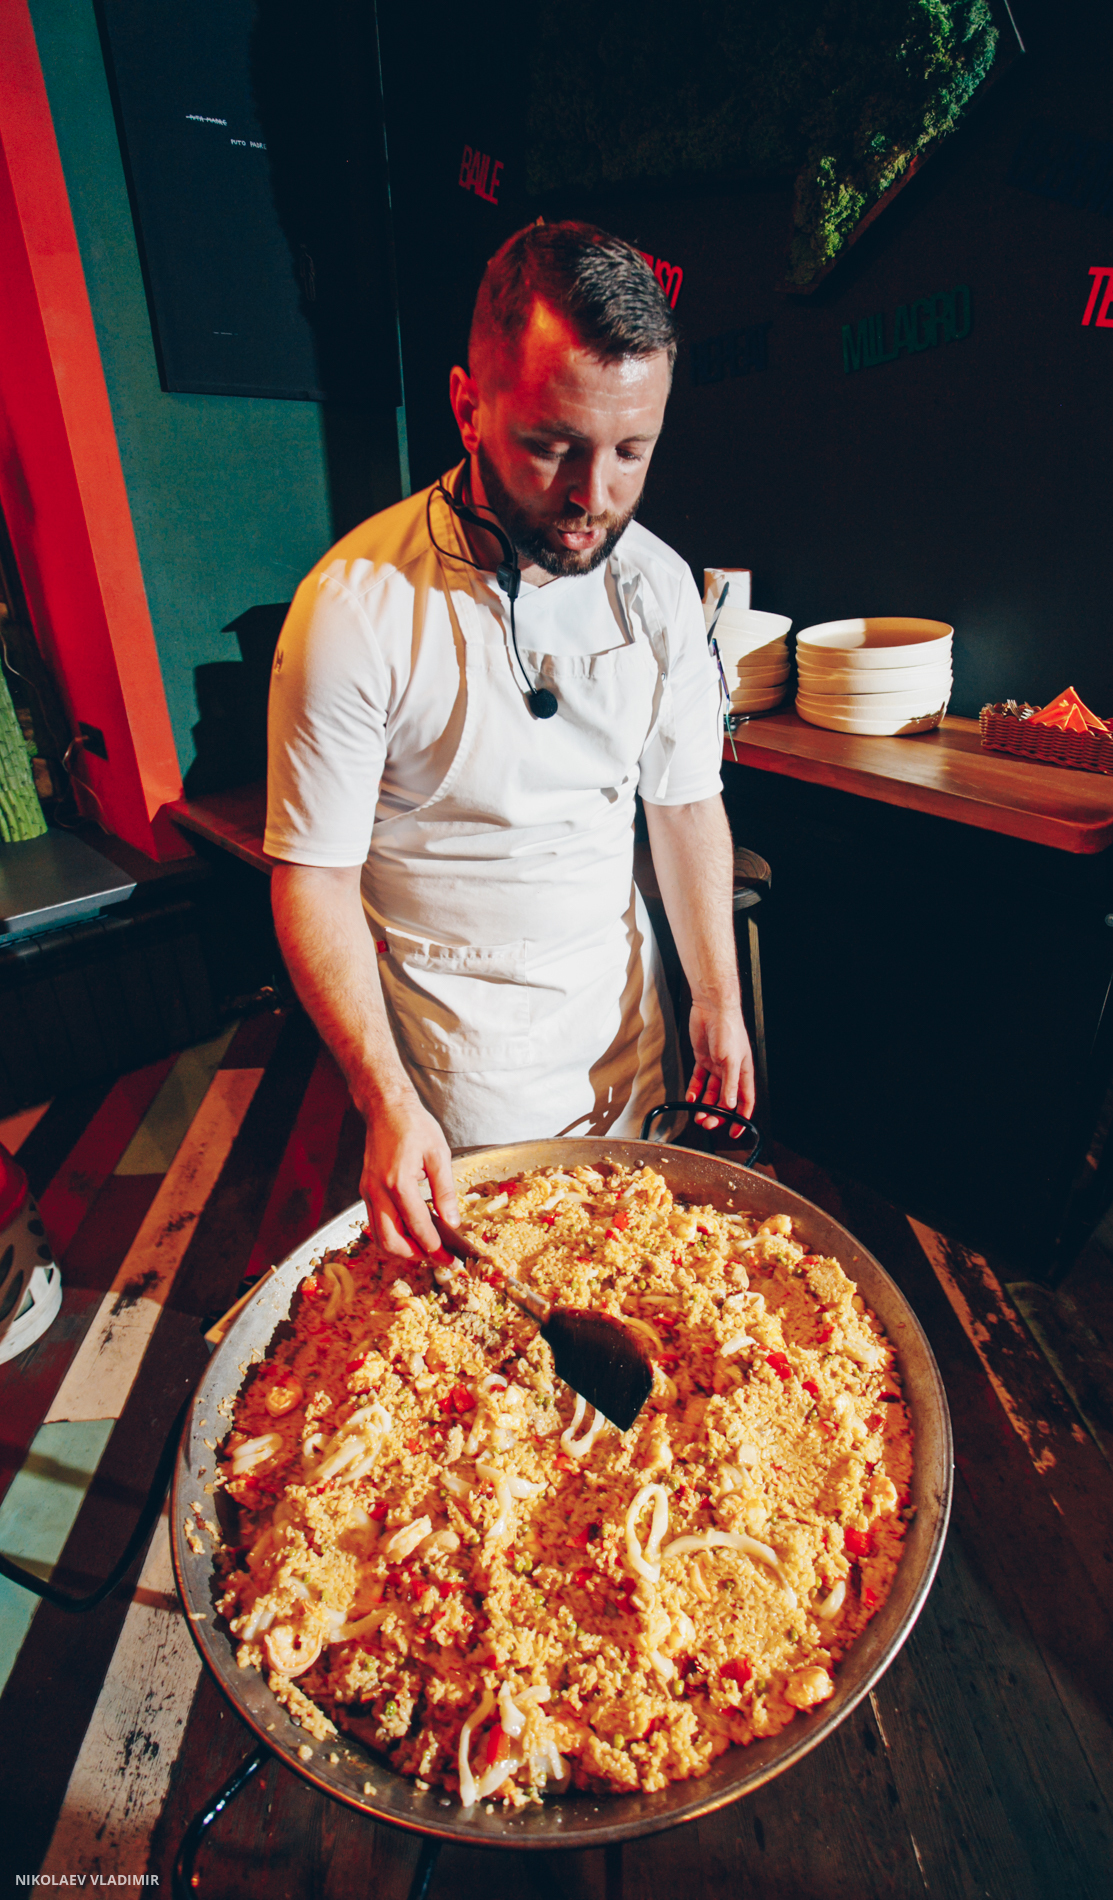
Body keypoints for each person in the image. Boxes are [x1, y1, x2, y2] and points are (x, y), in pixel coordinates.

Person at [266, 221, 754, 1258]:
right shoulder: (354, 609)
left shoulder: (660, 586)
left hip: (627, 1023)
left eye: (631, 452)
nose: (592, 498)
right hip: (459, 1055)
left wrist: (717, 996)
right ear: (467, 407)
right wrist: (383, 1096)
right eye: (551, 445)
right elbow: (312, 877)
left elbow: (682, 803)